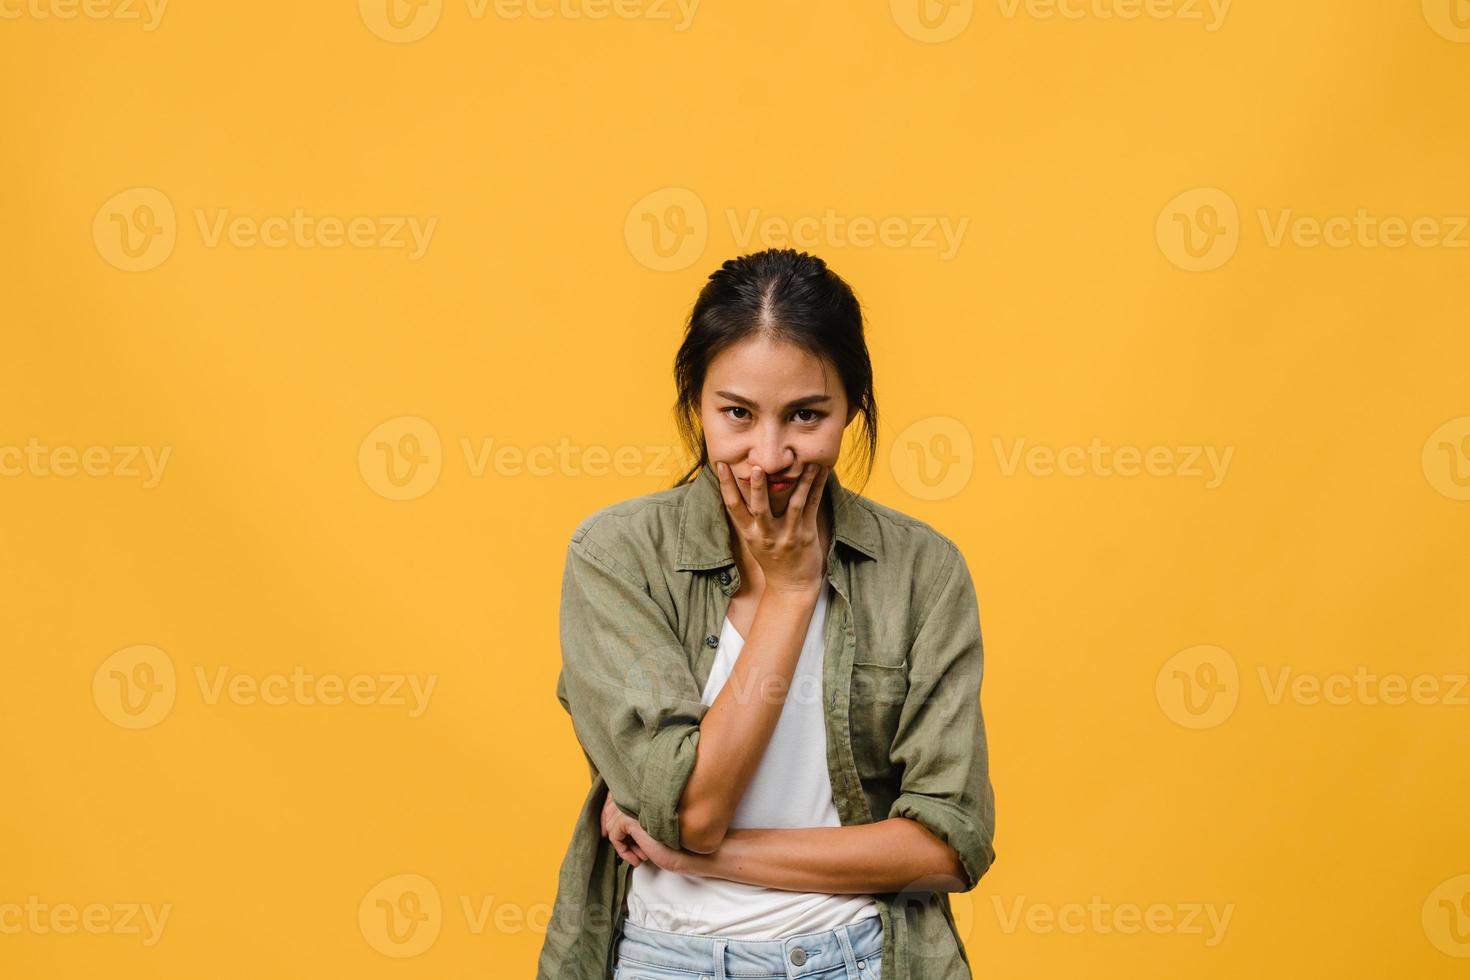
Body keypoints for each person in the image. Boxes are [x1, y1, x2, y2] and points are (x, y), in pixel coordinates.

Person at [536, 248, 996, 980]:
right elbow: (695, 809)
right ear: (697, 405)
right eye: (737, 414)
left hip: (857, 959)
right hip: (665, 961)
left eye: (807, 415)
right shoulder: (617, 556)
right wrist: (788, 591)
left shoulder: (921, 571)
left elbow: (948, 845)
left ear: (852, 408)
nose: (770, 456)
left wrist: (699, 854)